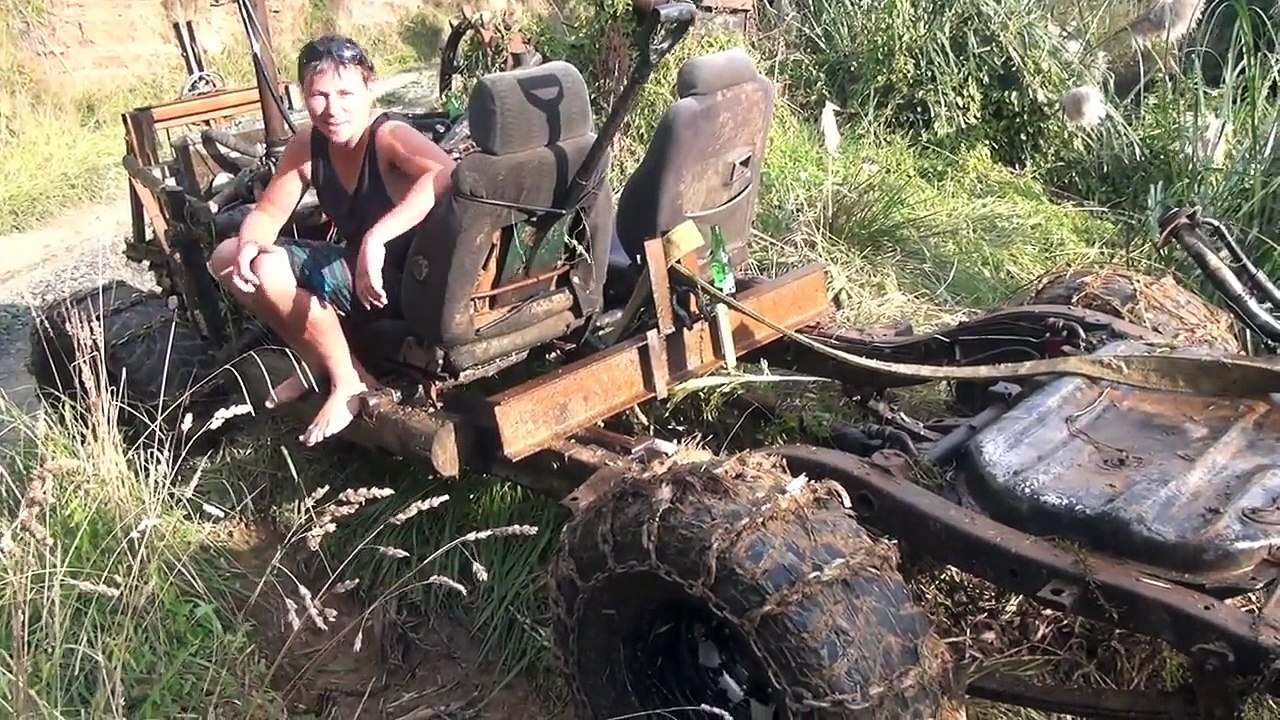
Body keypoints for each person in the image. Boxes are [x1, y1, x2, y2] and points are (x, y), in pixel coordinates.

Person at [208, 34, 456, 446]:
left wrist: (378, 237)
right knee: (229, 258)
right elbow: (269, 212)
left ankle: (350, 383)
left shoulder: (388, 136)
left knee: (271, 269)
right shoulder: (308, 144)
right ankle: (317, 362)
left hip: (405, 283)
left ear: (368, 89)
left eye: (345, 93)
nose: (333, 109)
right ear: (302, 95)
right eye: (319, 95)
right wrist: (251, 242)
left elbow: (446, 173)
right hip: (356, 274)